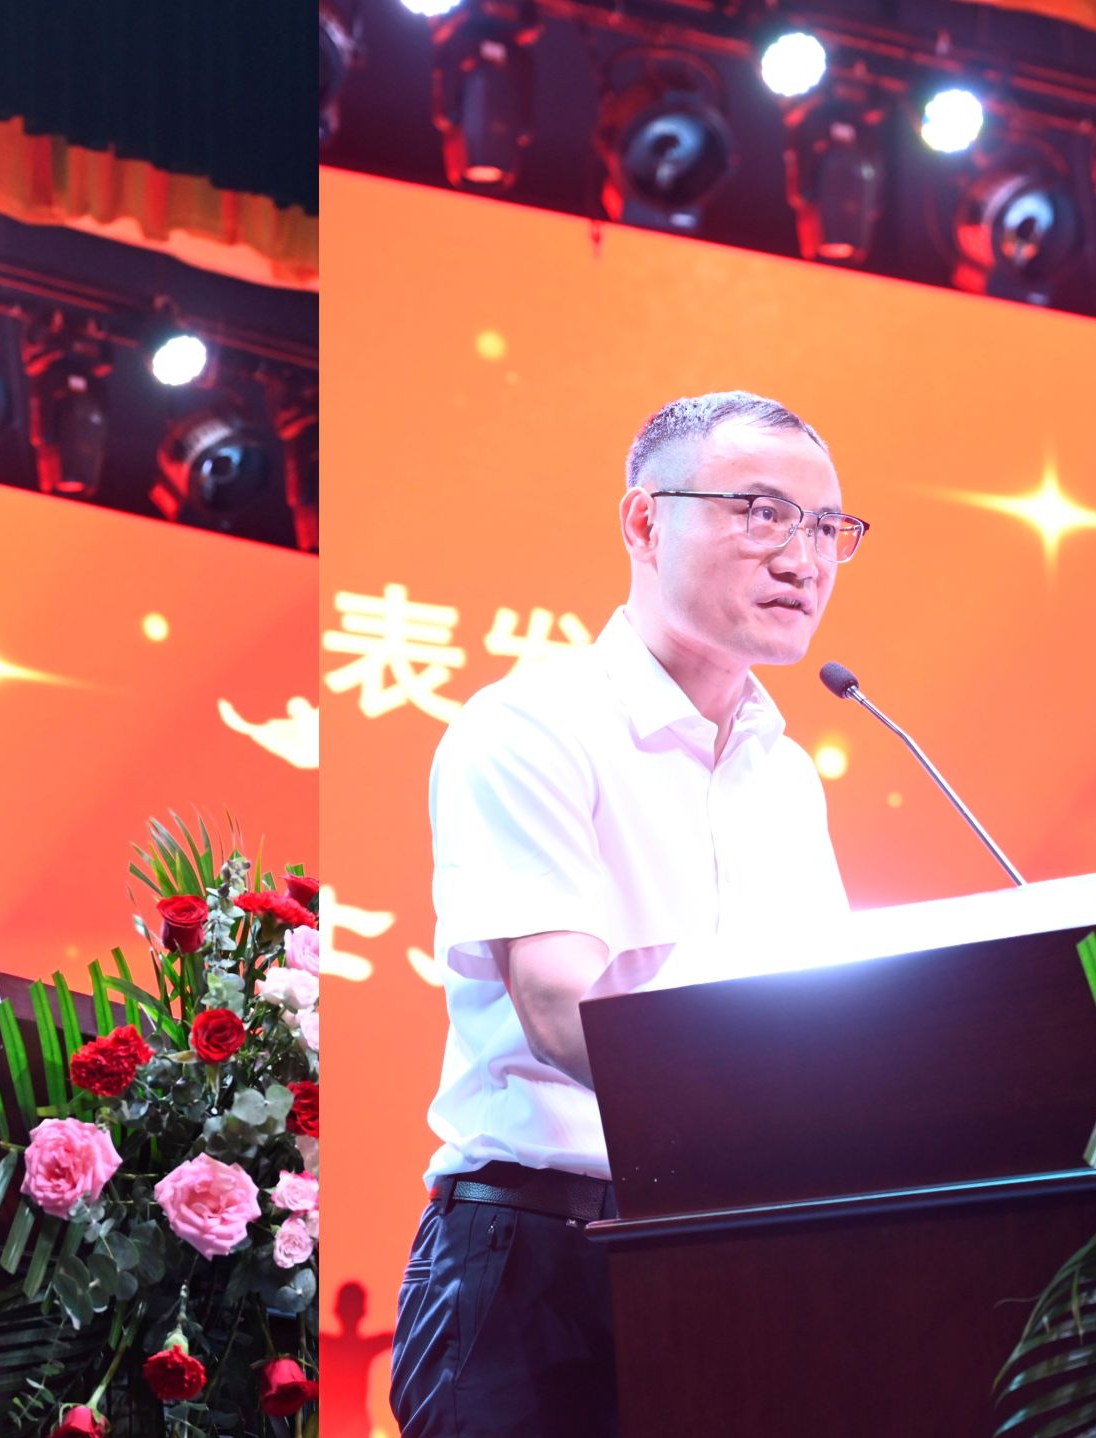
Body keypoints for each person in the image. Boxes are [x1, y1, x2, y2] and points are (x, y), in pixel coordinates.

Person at [388, 392, 870, 1437]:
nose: (803, 559)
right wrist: (769, 1098)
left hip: (728, 1247)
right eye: (763, 513)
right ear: (644, 521)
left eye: (828, 527)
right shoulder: (534, 725)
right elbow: (562, 1009)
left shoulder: (784, 774)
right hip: (534, 1261)